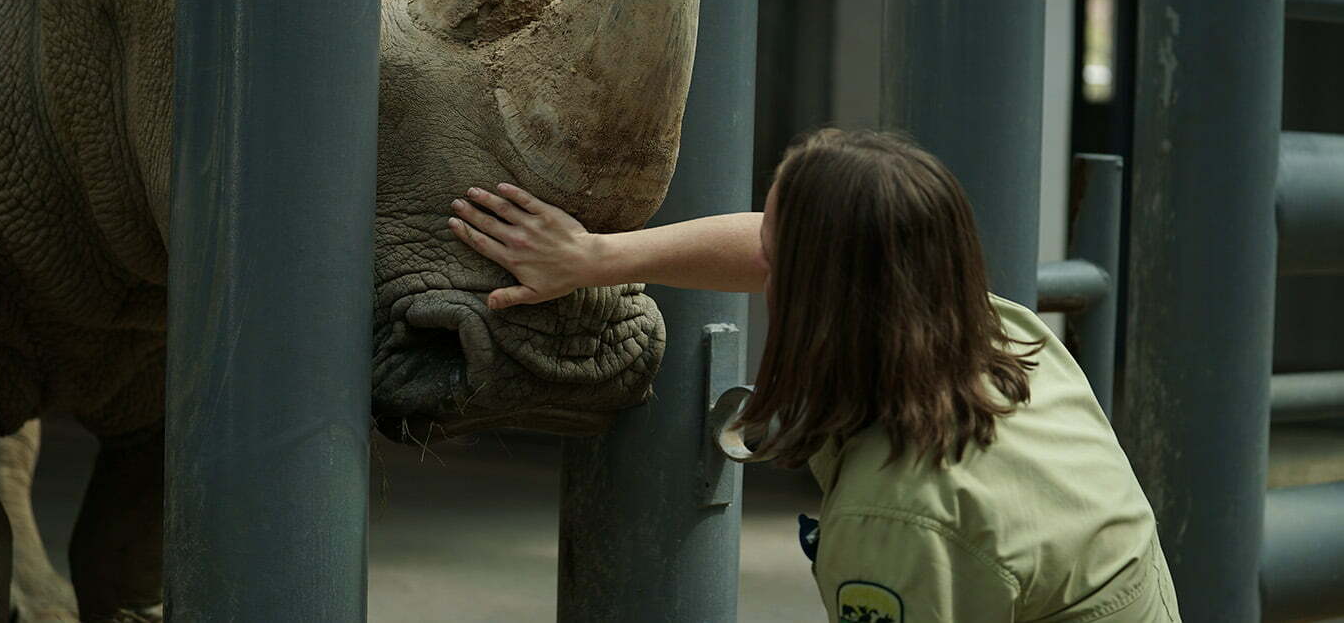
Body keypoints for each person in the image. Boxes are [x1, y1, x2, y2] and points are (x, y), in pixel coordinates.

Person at [447, 128, 1181, 622]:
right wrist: (597, 258)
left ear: (811, 290)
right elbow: (797, 249)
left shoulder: (896, 517)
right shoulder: (1005, 338)